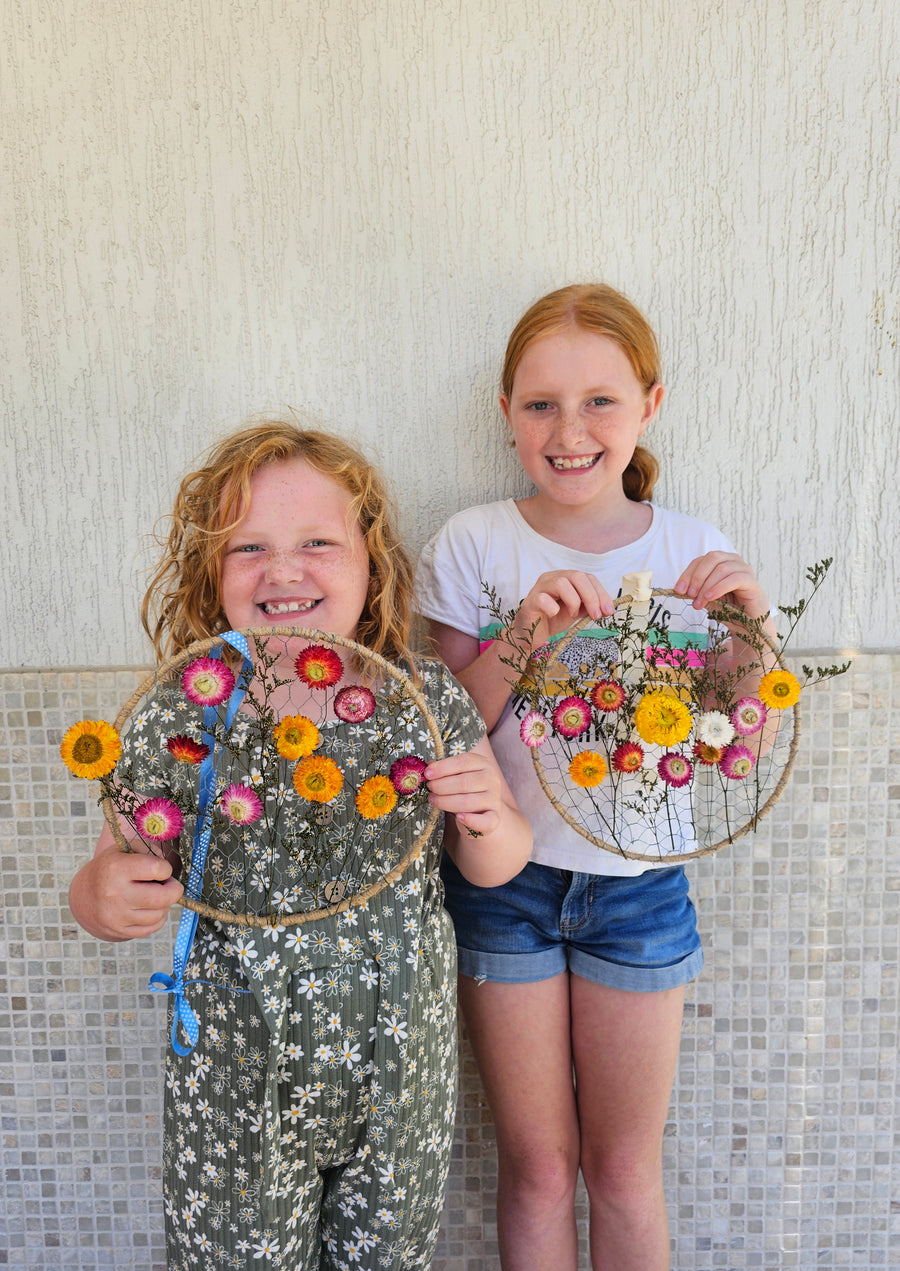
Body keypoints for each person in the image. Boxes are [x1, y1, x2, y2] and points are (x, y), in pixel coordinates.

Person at [68, 420, 532, 1271]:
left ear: (372, 561)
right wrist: (103, 894)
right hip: (234, 1083)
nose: (283, 571)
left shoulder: (420, 697)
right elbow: (110, 865)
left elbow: (493, 864)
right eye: (249, 547)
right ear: (213, 574)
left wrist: (490, 819)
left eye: (318, 541)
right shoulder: (184, 710)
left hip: (401, 1076)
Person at [416, 284, 778, 1271]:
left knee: (622, 1169)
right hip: (503, 890)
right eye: (540, 404)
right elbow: (449, 730)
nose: (569, 430)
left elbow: (730, 722)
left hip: (642, 889)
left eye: (600, 402)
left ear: (650, 405)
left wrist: (749, 624)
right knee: (539, 1168)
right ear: (506, 414)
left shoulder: (691, 548)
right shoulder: (474, 542)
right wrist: (525, 632)